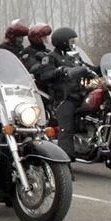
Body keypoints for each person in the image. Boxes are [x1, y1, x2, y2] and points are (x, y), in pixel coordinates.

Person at [37, 27, 93, 160]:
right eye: (71, 41)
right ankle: (65, 160)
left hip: (81, 94)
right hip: (64, 98)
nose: (73, 43)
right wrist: (61, 70)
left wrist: (108, 68)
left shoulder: (74, 57)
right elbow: (45, 75)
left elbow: (89, 69)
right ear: (62, 41)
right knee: (66, 128)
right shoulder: (50, 57)